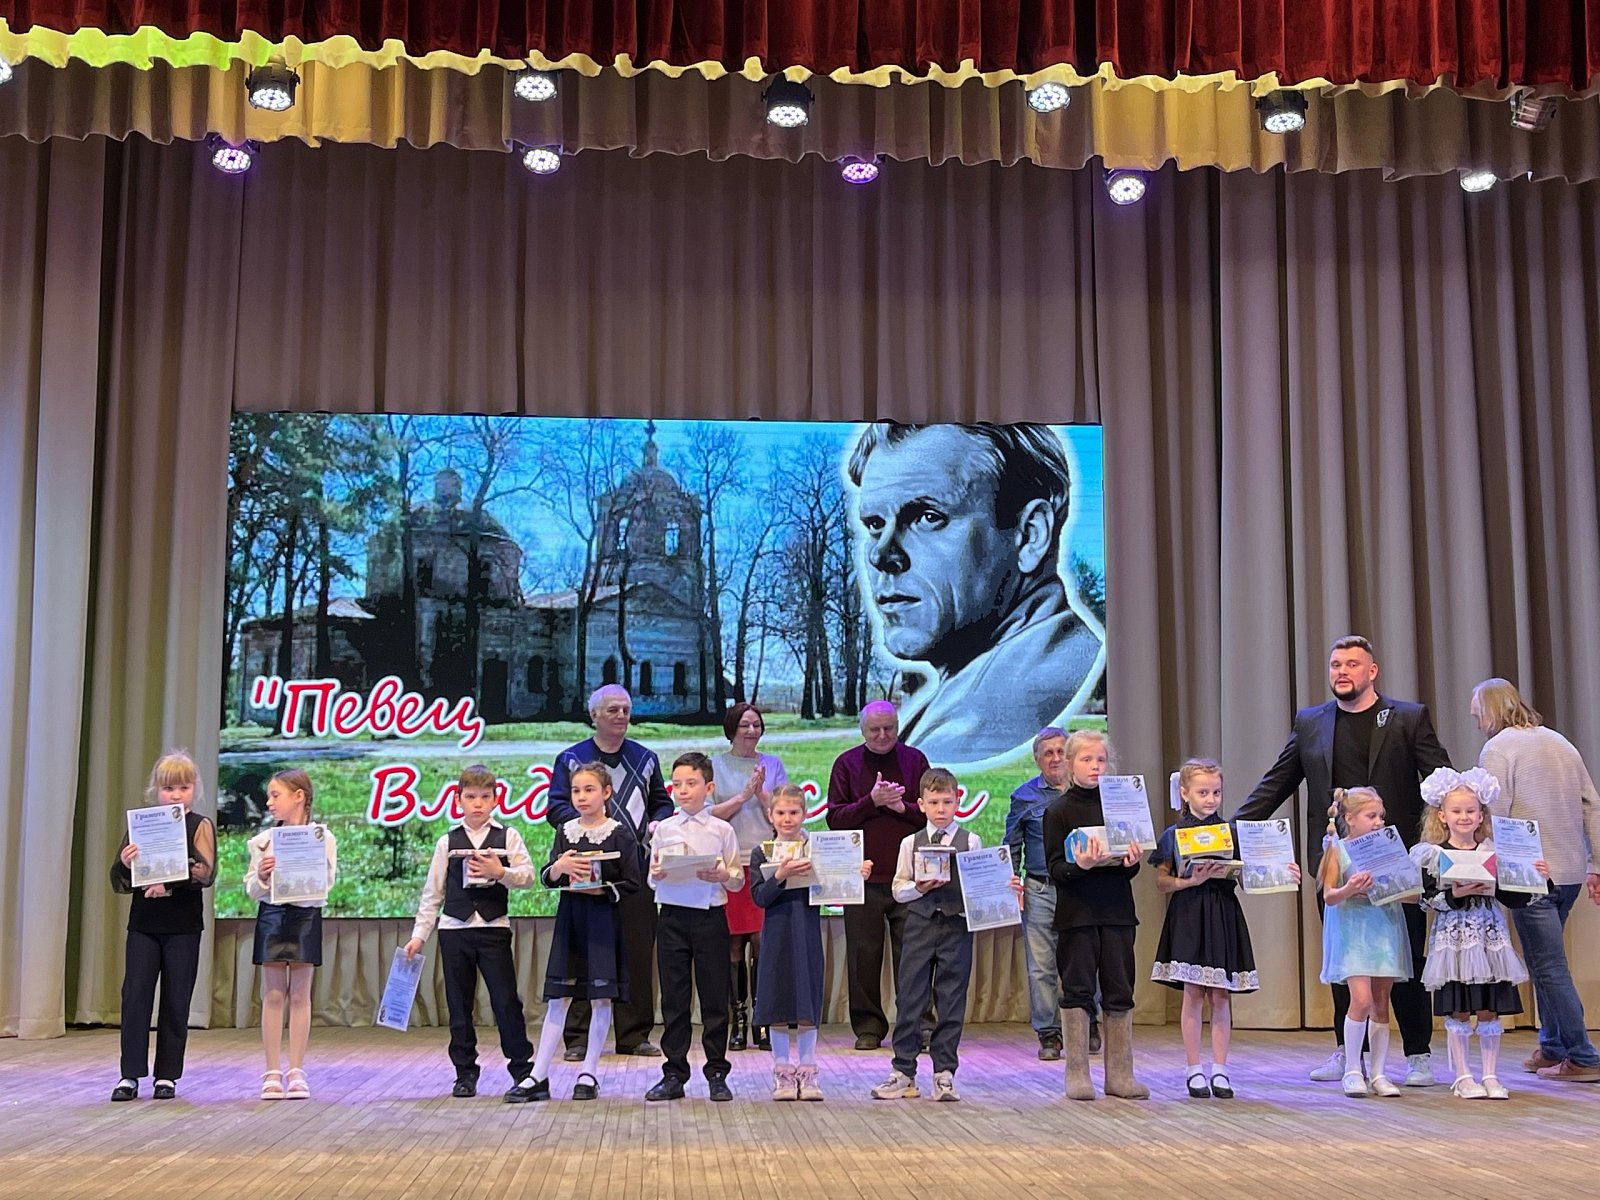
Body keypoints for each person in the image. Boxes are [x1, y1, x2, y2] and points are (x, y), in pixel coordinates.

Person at [1236, 635, 1450, 1086]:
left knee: (1404, 954)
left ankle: (1418, 1053)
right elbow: (1277, 782)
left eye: (1352, 664)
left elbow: (1439, 782)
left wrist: (1456, 840)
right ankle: (1348, 1053)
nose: (1342, 671)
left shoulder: (1408, 717)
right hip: (1336, 858)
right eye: (1336, 664)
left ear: (1372, 671)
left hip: (1395, 859)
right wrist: (1230, 831)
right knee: (1345, 956)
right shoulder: (1311, 722)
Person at [846, 422, 1103, 765]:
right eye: (875, 524)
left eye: (928, 517)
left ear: (1030, 534)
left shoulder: (974, 726)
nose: (881, 555)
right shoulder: (975, 687)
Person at [1472, 677, 1600, 1083]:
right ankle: (1553, 1046)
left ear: (1491, 710)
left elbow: (1495, 812)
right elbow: (1592, 806)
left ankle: (1583, 1056)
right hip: (1569, 871)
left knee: (1548, 966)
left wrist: (1477, 857)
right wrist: (1596, 863)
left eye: (1478, 715)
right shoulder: (1561, 743)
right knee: (1546, 961)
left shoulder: (1498, 748)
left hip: (1528, 873)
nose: (1478, 723)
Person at [871, 769, 1019, 1102]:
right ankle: (903, 1071)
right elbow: (897, 889)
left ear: (958, 802)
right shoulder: (910, 843)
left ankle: (944, 1073)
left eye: (947, 802)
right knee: (910, 998)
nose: (941, 809)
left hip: (956, 926)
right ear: (921, 804)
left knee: (951, 1000)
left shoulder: (971, 841)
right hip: (919, 925)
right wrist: (919, 888)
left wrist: (1004, 888)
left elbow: (981, 884)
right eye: (934, 802)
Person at [1151, 759, 1293, 1100]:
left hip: (1222, 912)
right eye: (1203, 792)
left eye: (1216, 792)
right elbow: (1162, 882)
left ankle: (1220, 1069)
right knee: (1193, 992)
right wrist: (1190, 881)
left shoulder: (1231, 833)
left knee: (1220, 994)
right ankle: (1193, 1068)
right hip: (1189, 914)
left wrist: (1280, 872)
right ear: (1185, 793)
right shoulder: (1174, 835)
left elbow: (1245, 878)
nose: (1211, 799)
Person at [545, 684, 673, 1060]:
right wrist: (590, 826)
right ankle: (578, 1039)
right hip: (584, 870)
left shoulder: (646, 758)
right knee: (583, 954)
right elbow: (555, 807)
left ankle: (633, 1035)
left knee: (636, 950)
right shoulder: (571, 759)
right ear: (594, 715)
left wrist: (657, 822)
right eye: (613, 709)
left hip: (634, 870)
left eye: (626, 710)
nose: (621, 716)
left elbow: (662, 803)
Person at [402, 763, 537, 1102]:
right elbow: (432, 893)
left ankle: (523, 1071)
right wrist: (419, 935)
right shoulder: (447, 841)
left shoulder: (508, 836)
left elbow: (528, 876)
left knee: (505, 1001)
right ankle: (465, 1073)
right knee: (459, 1005)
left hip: (494, 929)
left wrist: (501, 872)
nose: (478, 803)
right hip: (455, 930)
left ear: (496, 800)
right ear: (458, 800)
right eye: (471, 797)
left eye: (485, 797)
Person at [1409, 766, 1543, 1100]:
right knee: (1459, 1007)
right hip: (1454, 940)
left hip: (1489, 939)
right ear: (1442, 816)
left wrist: (1539, 876)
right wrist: (1455, 893)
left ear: (1481, 814)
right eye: (1456, 811)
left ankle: (1491, 1075)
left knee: (1488, 1008)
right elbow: (1426, 900)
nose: (1464, 817)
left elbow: (1514, 896)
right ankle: (1463, 1076)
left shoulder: (1492, 851)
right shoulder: (1433, 855)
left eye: (1471, 811)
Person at [522, 761, 643, 1101]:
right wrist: (558, 867)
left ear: (606, 792)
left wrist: (602, 889)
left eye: (589, 789)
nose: (582, 796)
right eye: (576, 790)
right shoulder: (566, 831)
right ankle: (538, 1074)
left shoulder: (619, 833)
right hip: (570, 920)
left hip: (603, 922)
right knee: (559, 997)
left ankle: (589, 1072)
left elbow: (633, 882)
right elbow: (549, 876)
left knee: (601, 997)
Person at [1042, 729, 1148, 1101]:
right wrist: (1081, 865)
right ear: (1070, 764)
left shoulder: (1121, 806)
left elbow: (1129, 870)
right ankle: (1077, 1074)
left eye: (1101, 760)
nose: (1095, 766)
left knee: (1120, 989)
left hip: (1118, 912)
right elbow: (1055, 869)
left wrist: (1132, 861)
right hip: (1078, 914)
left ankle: (1120, 1075)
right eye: (1087, 760)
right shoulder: (1058, 811)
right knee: (1078, 989)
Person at [750, 784, 873, 1101]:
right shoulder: (761, 852)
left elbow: (834, 892)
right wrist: (780, 875)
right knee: (777, 999)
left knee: (806, 998)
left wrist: (855, 874)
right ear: (770, 815)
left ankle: (807, 1069)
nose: (787, 819)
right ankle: (782, 1071)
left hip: (806, 933)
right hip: (776, 935)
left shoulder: (818, 849)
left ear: (804, 813)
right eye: (781, 812)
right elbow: (760, 897)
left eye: (794, 812)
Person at [108, 751, 216, 1102]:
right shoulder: (144, 824)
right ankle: (129, 1075)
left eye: (183, 788)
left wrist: (168, 883)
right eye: (169, 788)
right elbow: (119, 878)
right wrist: (126, 863)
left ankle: (167, 1075)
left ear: (194, 788)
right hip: (144, 923)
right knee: (135, 997)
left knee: (176, 999)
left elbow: (206, 873)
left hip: (183, 925)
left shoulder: (199, 825)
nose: (175, 795)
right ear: (156, 789)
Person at [824, 700, 930, 1050]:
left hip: (910, 877)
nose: (883, 735)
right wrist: (872, 801)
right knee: (863, 957)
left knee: (913, 957)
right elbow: (835, 819)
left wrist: (901, 806)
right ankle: (868, 1027)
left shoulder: (915, 761)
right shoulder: (846, 764)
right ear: (862, 730)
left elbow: (932, 815)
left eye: (889, 728)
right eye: (875, 729)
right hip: (861, 878)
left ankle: (919, 1025)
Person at [645, 752, 742, 1102]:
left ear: (709, 787)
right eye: (677, 784)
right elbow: (652, 879)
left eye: (691, 783)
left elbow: (737, 879)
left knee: (715, 997)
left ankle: (717, 1072)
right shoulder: (664, 829)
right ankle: (674, 1073)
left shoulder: (721, 829)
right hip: (671, 917)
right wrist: (657, 874)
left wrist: (723, 874)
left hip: (709, 918)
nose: (683, 791)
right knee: (674, 999)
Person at [244, 768, 337, 1100]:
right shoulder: (262, 841)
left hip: (305, 915)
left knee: (300, 995)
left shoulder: (323, 838)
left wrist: (310, 870)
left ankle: (296, 1070)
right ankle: (272, 1071)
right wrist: (263, 876)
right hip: (272, 915)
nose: (269, 802)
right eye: (268, 796)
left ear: (299, 796)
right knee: (272, 994)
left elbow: (327, 884)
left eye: (275, 795)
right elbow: (251, 889)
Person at [1318, 787, 1412, 1099]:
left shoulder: (1388, 848)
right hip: (1353, 932)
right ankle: (1352, 1070)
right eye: (1371, 816)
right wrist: (1350, 888)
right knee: (1360, 1000)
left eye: (1381, 816)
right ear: (1349, 818)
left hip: (1383, 928)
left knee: (1381, 1002)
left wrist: (1392, 886)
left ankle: (1379, 1073)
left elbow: (1412, 893)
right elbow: (1330, 895)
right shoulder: (1338, 849)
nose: (1378, 822)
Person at [709, 702, 788, 1054]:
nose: (751, 730)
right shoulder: (715, 765)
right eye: (744, 725)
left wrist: (760, 793)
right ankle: (737, 1021)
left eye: (756, 724)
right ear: (731, 729)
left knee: (761, 940)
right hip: (729, 862)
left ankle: (762, 1020)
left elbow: (784, 812)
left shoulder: (773, 764)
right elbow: (708, 814)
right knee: (731, 943)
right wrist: (742, 797)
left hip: (764, 862)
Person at [1004, 726, 1075, 1060]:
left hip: (1082, 891)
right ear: (1037, 760)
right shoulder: (1024, 797)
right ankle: (1049, 1033)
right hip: (1039, 890)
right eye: (1048, 753)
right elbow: (1011, 846)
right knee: (1042, 968)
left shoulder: (1088, 791)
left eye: (1061, 751)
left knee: (1083, 963)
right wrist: (1011, 884)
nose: (1056, 758)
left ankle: (1086, 1025)